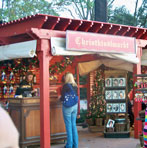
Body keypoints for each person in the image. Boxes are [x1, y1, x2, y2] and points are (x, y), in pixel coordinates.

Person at [60, 72, 78, 148]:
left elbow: (63, 98)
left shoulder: (65, 86)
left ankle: (69, 145)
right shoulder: (75, 86)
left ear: (66, 78)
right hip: (75, 106)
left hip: (67, 107)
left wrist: (59, 98)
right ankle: (75, 145)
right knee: (73, 125)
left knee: (68, 125)